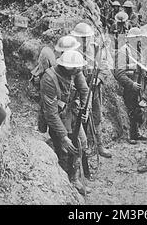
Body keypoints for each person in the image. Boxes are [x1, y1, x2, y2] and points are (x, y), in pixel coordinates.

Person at [39, 50, 91, 195]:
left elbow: (85, 90)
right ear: (66, 67)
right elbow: (51, 113)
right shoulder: (49, 78)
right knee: (64, 150)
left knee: (82, 142)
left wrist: (85, 107)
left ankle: (74, 179)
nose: (79, 70)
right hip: (58, 118)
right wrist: (63, 136)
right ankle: (64, 185)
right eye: (76, 69)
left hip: (73, 114)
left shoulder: (75, 71)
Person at [71, 23, 113, 159]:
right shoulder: (72, 52)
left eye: (86, 38)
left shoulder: (96, 50)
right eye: (81, 38)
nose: (83, 41)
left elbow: (106, 67)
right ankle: (85, 147)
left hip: (94, 89)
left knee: (96, 116)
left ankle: (99, 145)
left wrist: (99, 79)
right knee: (81, 116)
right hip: (79, 91)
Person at [113, 27, 146, 144]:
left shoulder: (136, 50)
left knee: (136, 109)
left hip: (136, 86)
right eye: (137, 39)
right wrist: (131, 84)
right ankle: (128, 135)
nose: (139, 41)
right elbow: (119, 73)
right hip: (127, 87)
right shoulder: (124, 51)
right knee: (128, 111)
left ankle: (135, 133)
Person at [30, 47, 57, 133]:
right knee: (43, 111)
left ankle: (48, 130)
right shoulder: (40, 70)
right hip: (44, 93)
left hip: (50, 93)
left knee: (49, 112)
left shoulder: (53, 70)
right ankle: (42, 129)